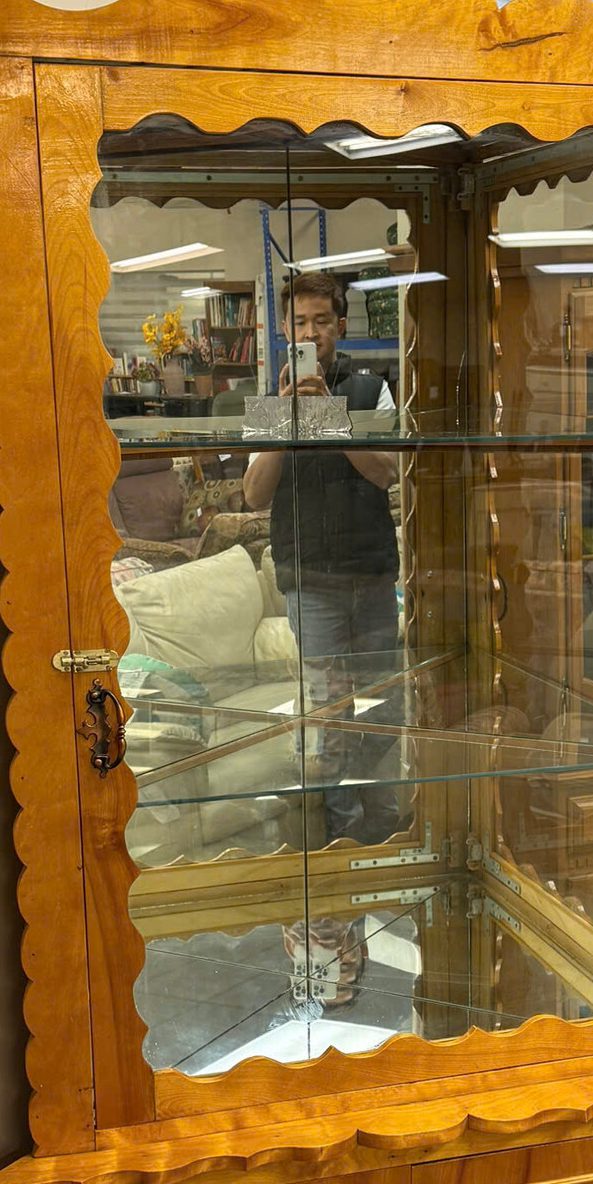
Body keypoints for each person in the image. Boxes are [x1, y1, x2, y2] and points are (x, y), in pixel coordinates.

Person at [243, 272, 401, 846]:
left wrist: (331, 417)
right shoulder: (269, 397)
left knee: (388, 698)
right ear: (286, 332)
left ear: (340, 325)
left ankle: (383, 816)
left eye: (323, 321)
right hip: (309, 576)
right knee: (329, 711)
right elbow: (255, 495)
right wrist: (285, 423)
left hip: (373, 571)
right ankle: (345, 831)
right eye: (301, 323)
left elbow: (386, 473)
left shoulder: (370, 390)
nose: (313, 332)